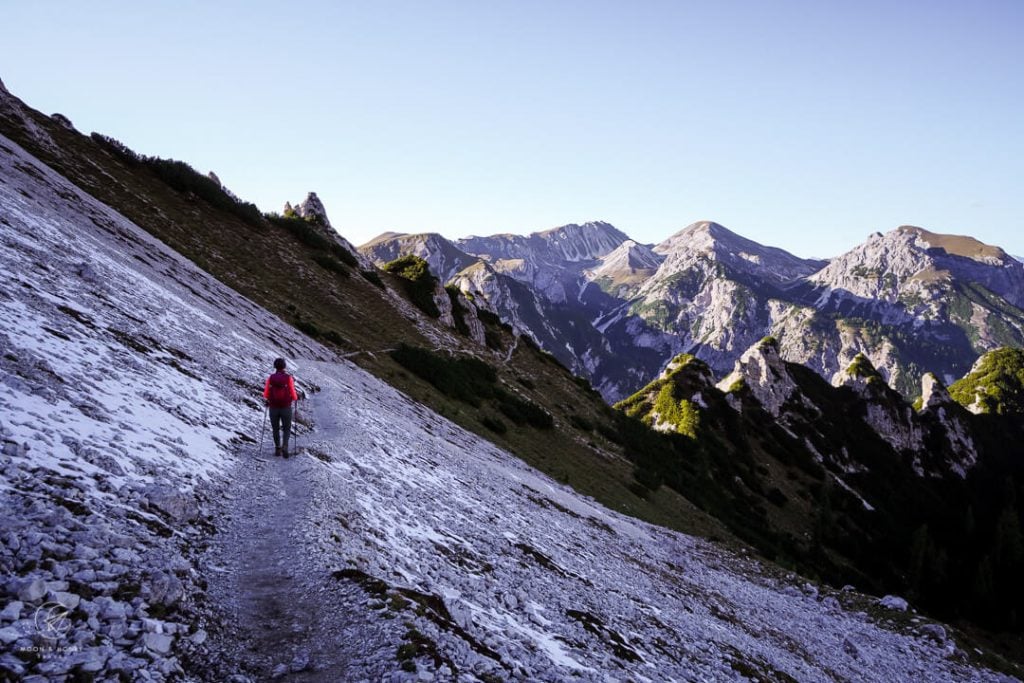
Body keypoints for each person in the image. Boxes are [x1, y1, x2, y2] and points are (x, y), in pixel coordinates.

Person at [264, 358, 298, 457]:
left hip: (273, 407)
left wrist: (270, 399)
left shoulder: (271, 378)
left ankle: (277, 449)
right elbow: (293, 392)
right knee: (287, 428)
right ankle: (285, 447)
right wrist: (295, 398)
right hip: (286, 407)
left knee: (275, 428)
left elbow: (266, 394)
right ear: (284, 366)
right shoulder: (288, 378)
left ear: (275, 366)